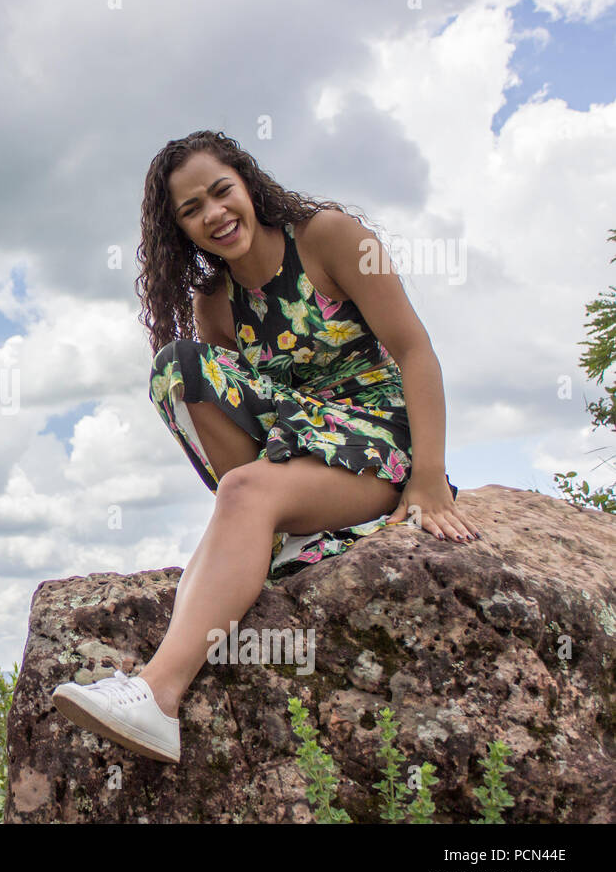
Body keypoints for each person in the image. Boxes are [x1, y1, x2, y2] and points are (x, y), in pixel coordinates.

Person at [51, 129, 482, 764]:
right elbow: (235, 410)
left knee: (246, 489)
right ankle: (271, 530)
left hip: (378, 441)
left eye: (221, 191)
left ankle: (158, 695)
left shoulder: (329, 238)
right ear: (180, 231)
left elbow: (416, 350)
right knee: (180, 369)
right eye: (191, 209)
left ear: (249, 183)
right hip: (300, 444)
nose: (214, 214)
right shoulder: (216, 301)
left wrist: (429, 479)